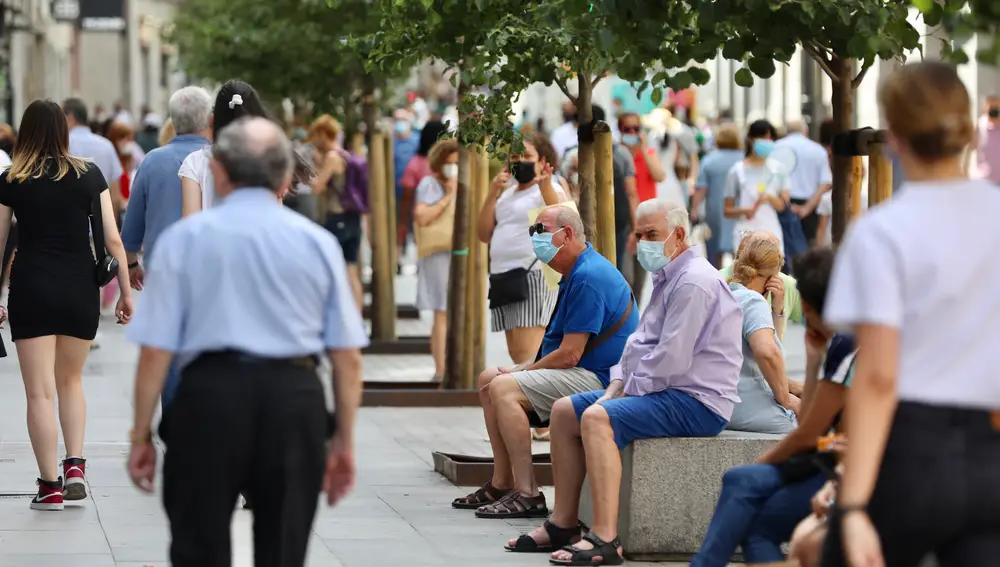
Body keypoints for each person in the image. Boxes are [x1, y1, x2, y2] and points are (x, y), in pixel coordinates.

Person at [125, 117, 366, 566]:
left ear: (218, 173)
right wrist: (344, 443)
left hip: (208, 399)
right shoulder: (317, 244)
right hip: (294, 400)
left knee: (198, 544)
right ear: (283, 176)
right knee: (283, 548)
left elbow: (156, 350)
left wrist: (140, 435)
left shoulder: (183, 241)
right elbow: (347, 358)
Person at [821, 62, 1000, 567]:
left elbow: (876, 377)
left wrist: (852, 504)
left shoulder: (881, 232)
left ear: (893, 136)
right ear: (966, 128)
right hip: (991, 455)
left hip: (911, 452)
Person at [506, 200, 741, 566]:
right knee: (566, 411)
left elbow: (671, 360)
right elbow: (637, 346)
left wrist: (621, 393)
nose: (643, 242)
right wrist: (617, 386)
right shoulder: (669, 276)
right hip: (665, 390)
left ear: (679, 235)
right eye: (639, 234)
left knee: (598, 418)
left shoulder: (695, 281)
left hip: (697, 401)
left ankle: (605, 538)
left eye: (652, 234)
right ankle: (563, 523)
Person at [454, 205, 637, 517]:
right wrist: (524, 368)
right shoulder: (578, 269)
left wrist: (524, 369)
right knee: (489, 378)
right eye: (532, 230)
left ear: (566, 234)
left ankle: (527, 493)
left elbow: (570, 354)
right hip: (584, 369)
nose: (534, 237)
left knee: (503, 389)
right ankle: (502, 481)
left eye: (540, 229)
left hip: (602, 378)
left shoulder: (588, 276)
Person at [0, 100, 133, 510]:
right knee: (70, 382)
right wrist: (126, 293)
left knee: (39, 393)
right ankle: (75, 464)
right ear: (63, 130)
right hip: (80, 289)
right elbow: (112, 240)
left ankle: (50, 486)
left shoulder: (11, 179)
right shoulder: (89, 174)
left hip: (32, 289)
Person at [691, 246, 856, 567]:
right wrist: (810, 362)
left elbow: (810, 434)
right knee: (740, 482)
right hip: (831, 460)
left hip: (852, 472)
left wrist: (769, 460)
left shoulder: (849, 346)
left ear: (806, 306)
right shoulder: (839, 344)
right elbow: (817, 429)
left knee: (754, 516)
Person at [120, 86, 213, 408]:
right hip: (211, 270)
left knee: (168, 349)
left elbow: (133, 223)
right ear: (210, 119)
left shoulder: (153, 161)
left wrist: (131, 264)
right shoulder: (222, 160)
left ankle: (174, 421)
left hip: (163, 270)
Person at [476, 132, 568, 365]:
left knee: (528, 352)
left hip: (532, 275)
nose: (519, 161)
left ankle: (532, 399)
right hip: (503, 277)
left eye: (527, 155)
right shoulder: (507, 194)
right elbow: (483, 233)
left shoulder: (548, 188)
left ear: (542, 161)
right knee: (516, 352)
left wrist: (545, 183)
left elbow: (562, 214)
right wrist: (491, 193)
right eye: (515, 156)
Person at [180, 79, 311, 217]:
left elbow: (190, 217)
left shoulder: (194, 162)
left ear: (214, 117)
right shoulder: (267, 157)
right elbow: (275, 211)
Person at [725, 237, 799, 434]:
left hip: (723, 404)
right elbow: (768, 352)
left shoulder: (725, 294)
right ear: (773, 277)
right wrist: (785, 397)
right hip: (748, 405)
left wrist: (777, 309)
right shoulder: (753, 301)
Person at [413, 139, 459, 380]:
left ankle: (454, 366)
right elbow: (422, 217)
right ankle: (440, 369)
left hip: (460, 252)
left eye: (457, 162)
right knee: (442, 310)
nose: (453, 167)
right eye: (449, 163)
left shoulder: (465, 183)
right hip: (438, 252)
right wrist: (448, 196)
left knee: (454, 311)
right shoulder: (430, 184)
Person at [307, 114, 363, 310]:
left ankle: (340, 314)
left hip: (337, 217)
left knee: (331, 269)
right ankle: (356, 319)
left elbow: (317, 187)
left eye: (315, 135)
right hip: (353, 219)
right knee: (351, 271)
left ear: (323, 134)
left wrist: (315, 166)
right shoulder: (345, 155)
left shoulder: (332, 157)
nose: (314, 140)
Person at [724, 120, 789, 252]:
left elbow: (784, 205)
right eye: (762, 137)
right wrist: (745, 210)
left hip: (771, 231)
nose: (766, 141)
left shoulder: (779, 169)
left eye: (769, 138)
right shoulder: (737, 171)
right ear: (750, 139)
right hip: (745, 232)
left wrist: (770, 198)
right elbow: (727, 210)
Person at [691, 123, 744, 267]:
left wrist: (694, 210)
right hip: (739, 210)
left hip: (715, 210)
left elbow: (701, 188)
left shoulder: (709, 160)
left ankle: (716, 280)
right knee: (740, 248)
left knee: (714, 250)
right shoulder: (744, 159)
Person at [399, 120, 448, 270]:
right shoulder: (450, 164)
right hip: (446, 221)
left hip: (423, 223)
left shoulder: (415, 164)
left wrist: (403, 221)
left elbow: (407, 196)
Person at [774, 120, 833, 243]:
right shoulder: (818, 150)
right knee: (807, 248)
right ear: (806, 131)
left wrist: (787, 206)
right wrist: (807, 208)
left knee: (781, 249)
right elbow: (825, 183)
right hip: (811, 206)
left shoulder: (776, 148)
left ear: (787, 132)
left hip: (781, 204)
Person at [977, 93, 1000, 183]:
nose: (994, 110)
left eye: (996, 107)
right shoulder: (979, 126)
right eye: (991, 107)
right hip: (985, 180)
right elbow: (970, 148)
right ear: (984, 108)